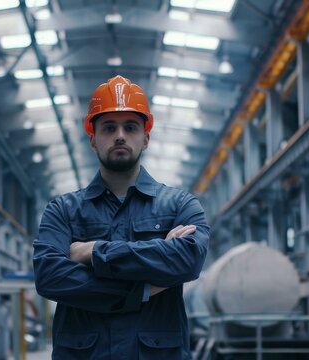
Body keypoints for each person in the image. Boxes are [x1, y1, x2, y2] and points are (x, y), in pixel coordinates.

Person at [33, 75, 209, 359]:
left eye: (130, 127)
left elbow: (188, 259)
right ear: (92, 139)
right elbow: (50, 277)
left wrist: (93, 251)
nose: (120, 135)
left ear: (146, 138)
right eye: (108, 127)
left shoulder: (180, 205)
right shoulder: (62, 210)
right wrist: (143, 289)